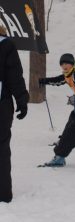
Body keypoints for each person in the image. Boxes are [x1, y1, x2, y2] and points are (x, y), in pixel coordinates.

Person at [0, 25, 29, 203]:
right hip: (1, 105)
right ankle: (3, 193)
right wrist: (22, 100)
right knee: (2, 149)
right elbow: (14, 75)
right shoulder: (6, 45)